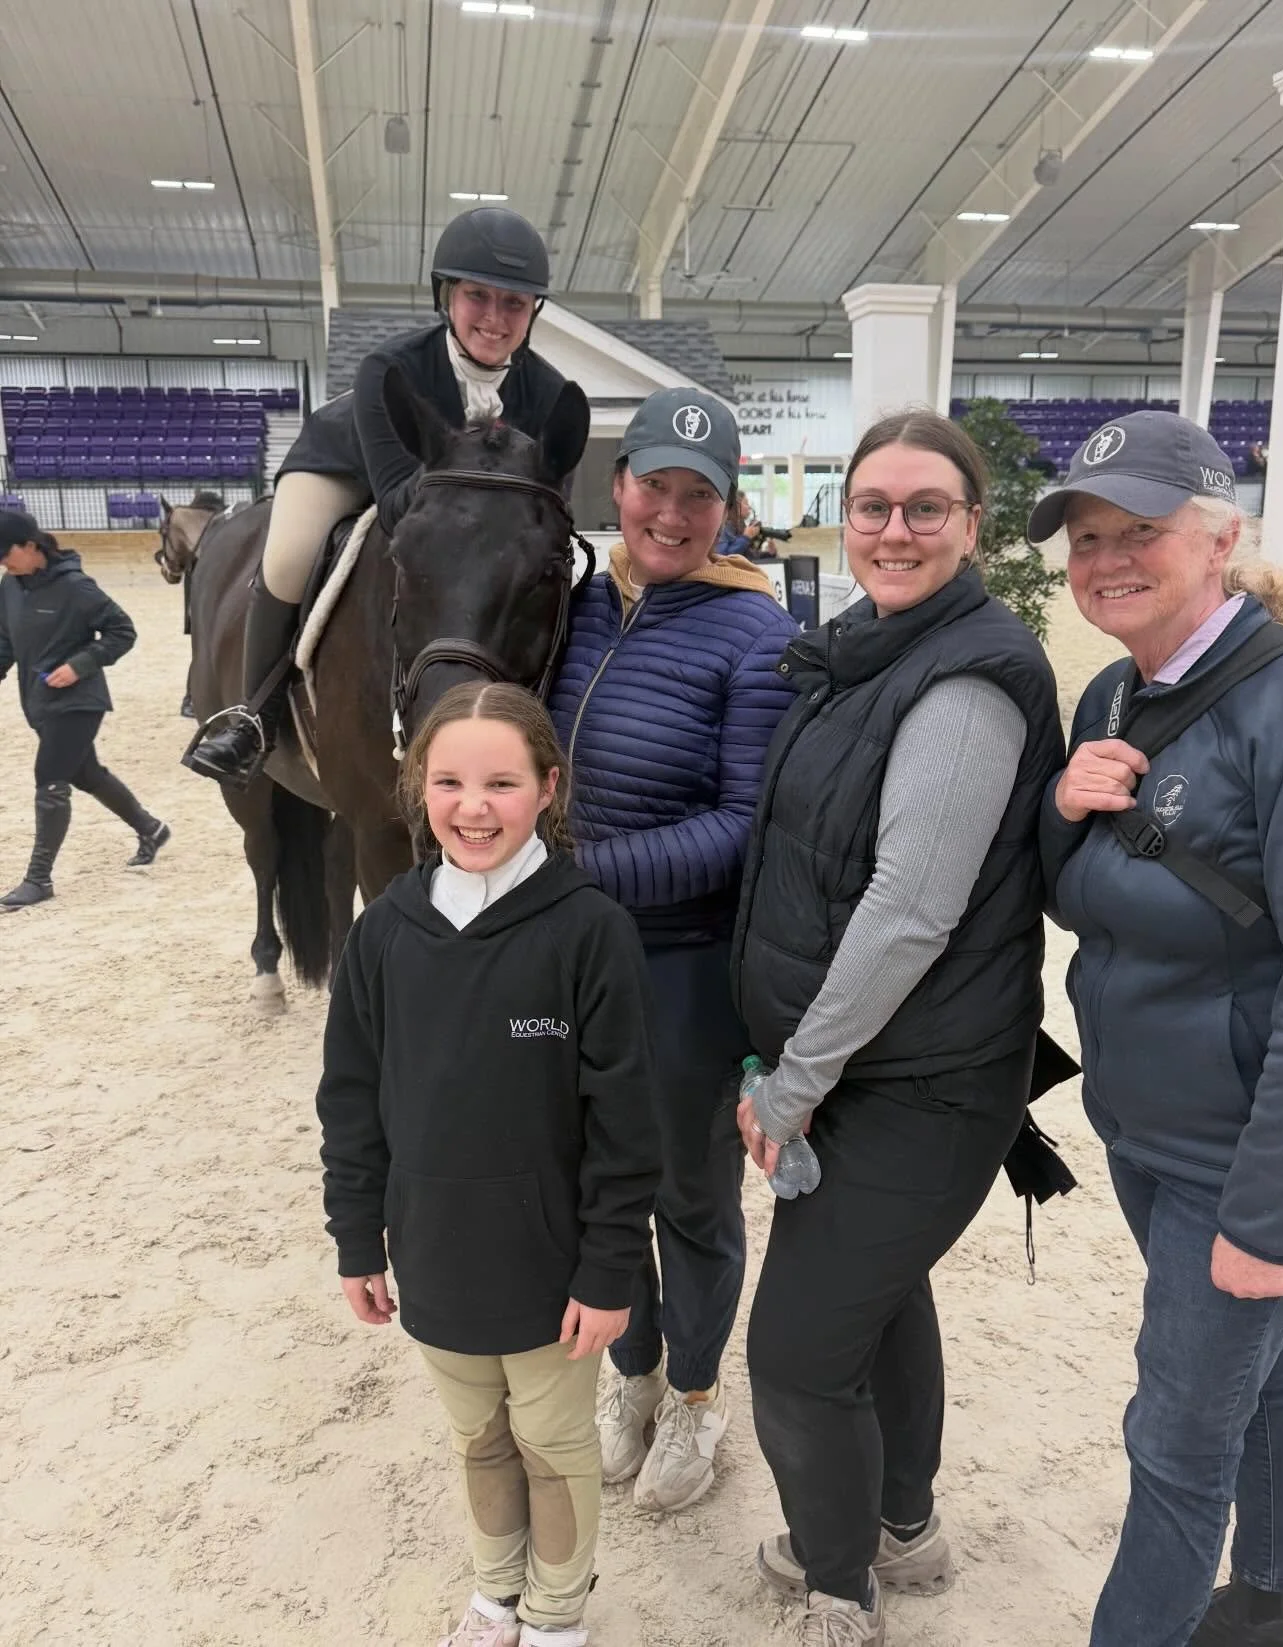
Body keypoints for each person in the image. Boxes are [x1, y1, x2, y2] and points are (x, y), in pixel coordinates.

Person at [1032, 411, 1283, 1647]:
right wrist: (1062, 804)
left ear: (1221, 538)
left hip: (1250, 1154)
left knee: (1179, 1434)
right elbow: (1076, 897)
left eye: (1142, 531)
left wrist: (1267, 1212)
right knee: (1262, 1366)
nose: (1108, 560)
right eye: (1088, 538)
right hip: (1146, 1125)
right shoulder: (1112, 693)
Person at [731, 411, 1065, 1645]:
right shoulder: (860, 647)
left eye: (928, 507)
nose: (895, 529)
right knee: (876, 1298)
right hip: (855, 1063)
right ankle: (905, 1529)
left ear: (972, 526)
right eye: (873, 504)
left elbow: (912, 910)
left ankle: (839, 1585)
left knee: (800, 1352)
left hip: (920, 1081)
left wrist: (793, 1082)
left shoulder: (968, 676)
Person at [316, 681, 660, 1647]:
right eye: (450, 781)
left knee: (553, 1446)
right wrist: (357, 1239)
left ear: (548, 788)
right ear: (416, 786)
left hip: (551, 1271)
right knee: (478, 1439)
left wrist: (608, 1267)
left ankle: (556, 1614)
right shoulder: (384, 931)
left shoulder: (591, 930)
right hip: (434, 1254)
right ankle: (495, 1593)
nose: (474, 806)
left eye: (502, 783)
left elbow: (627, 1124)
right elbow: (350, 1098)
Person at [547, 388, 797, 1515]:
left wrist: (584, 876)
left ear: (729, 507)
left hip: (684, 966)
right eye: (656, 485)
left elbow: (743, 822)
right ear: (621, 487)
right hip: (570, 962)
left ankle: (696, 1398)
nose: (673, 512)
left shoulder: (756, 630)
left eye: (700, 495)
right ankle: (632, 1370)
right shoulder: (577, 608)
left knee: (691, 1200)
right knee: (596, 1184)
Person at [188, 204, 587, 786]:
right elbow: (400, 502)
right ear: (446, 296)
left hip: (450, 499)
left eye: (515, 304)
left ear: (533, 311)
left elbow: (544, 511)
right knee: (291, 557)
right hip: (350, 468)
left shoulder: (551, 394)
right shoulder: (390, 366)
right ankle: (254, 715)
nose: (496, 319)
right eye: (479, 296)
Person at [0, 510, 171, 911]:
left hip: (79, 703)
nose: (2, 562)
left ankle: (38, 879)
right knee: (85, 772)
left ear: (30, 546)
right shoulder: (9, 586)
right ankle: (151, 828)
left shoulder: (77, 587)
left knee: (50, 777)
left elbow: (122, 630)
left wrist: (81, 665)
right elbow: (4, 643)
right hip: (38, 702)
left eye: (6, 553)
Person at [714, 490, 761, 556]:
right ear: (736, 505)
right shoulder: (724, 527)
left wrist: (770, 553)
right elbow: (723, 556)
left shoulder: (740, 525)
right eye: (746, 503)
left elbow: (749, 557)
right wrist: (745, 537)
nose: (749, 507)